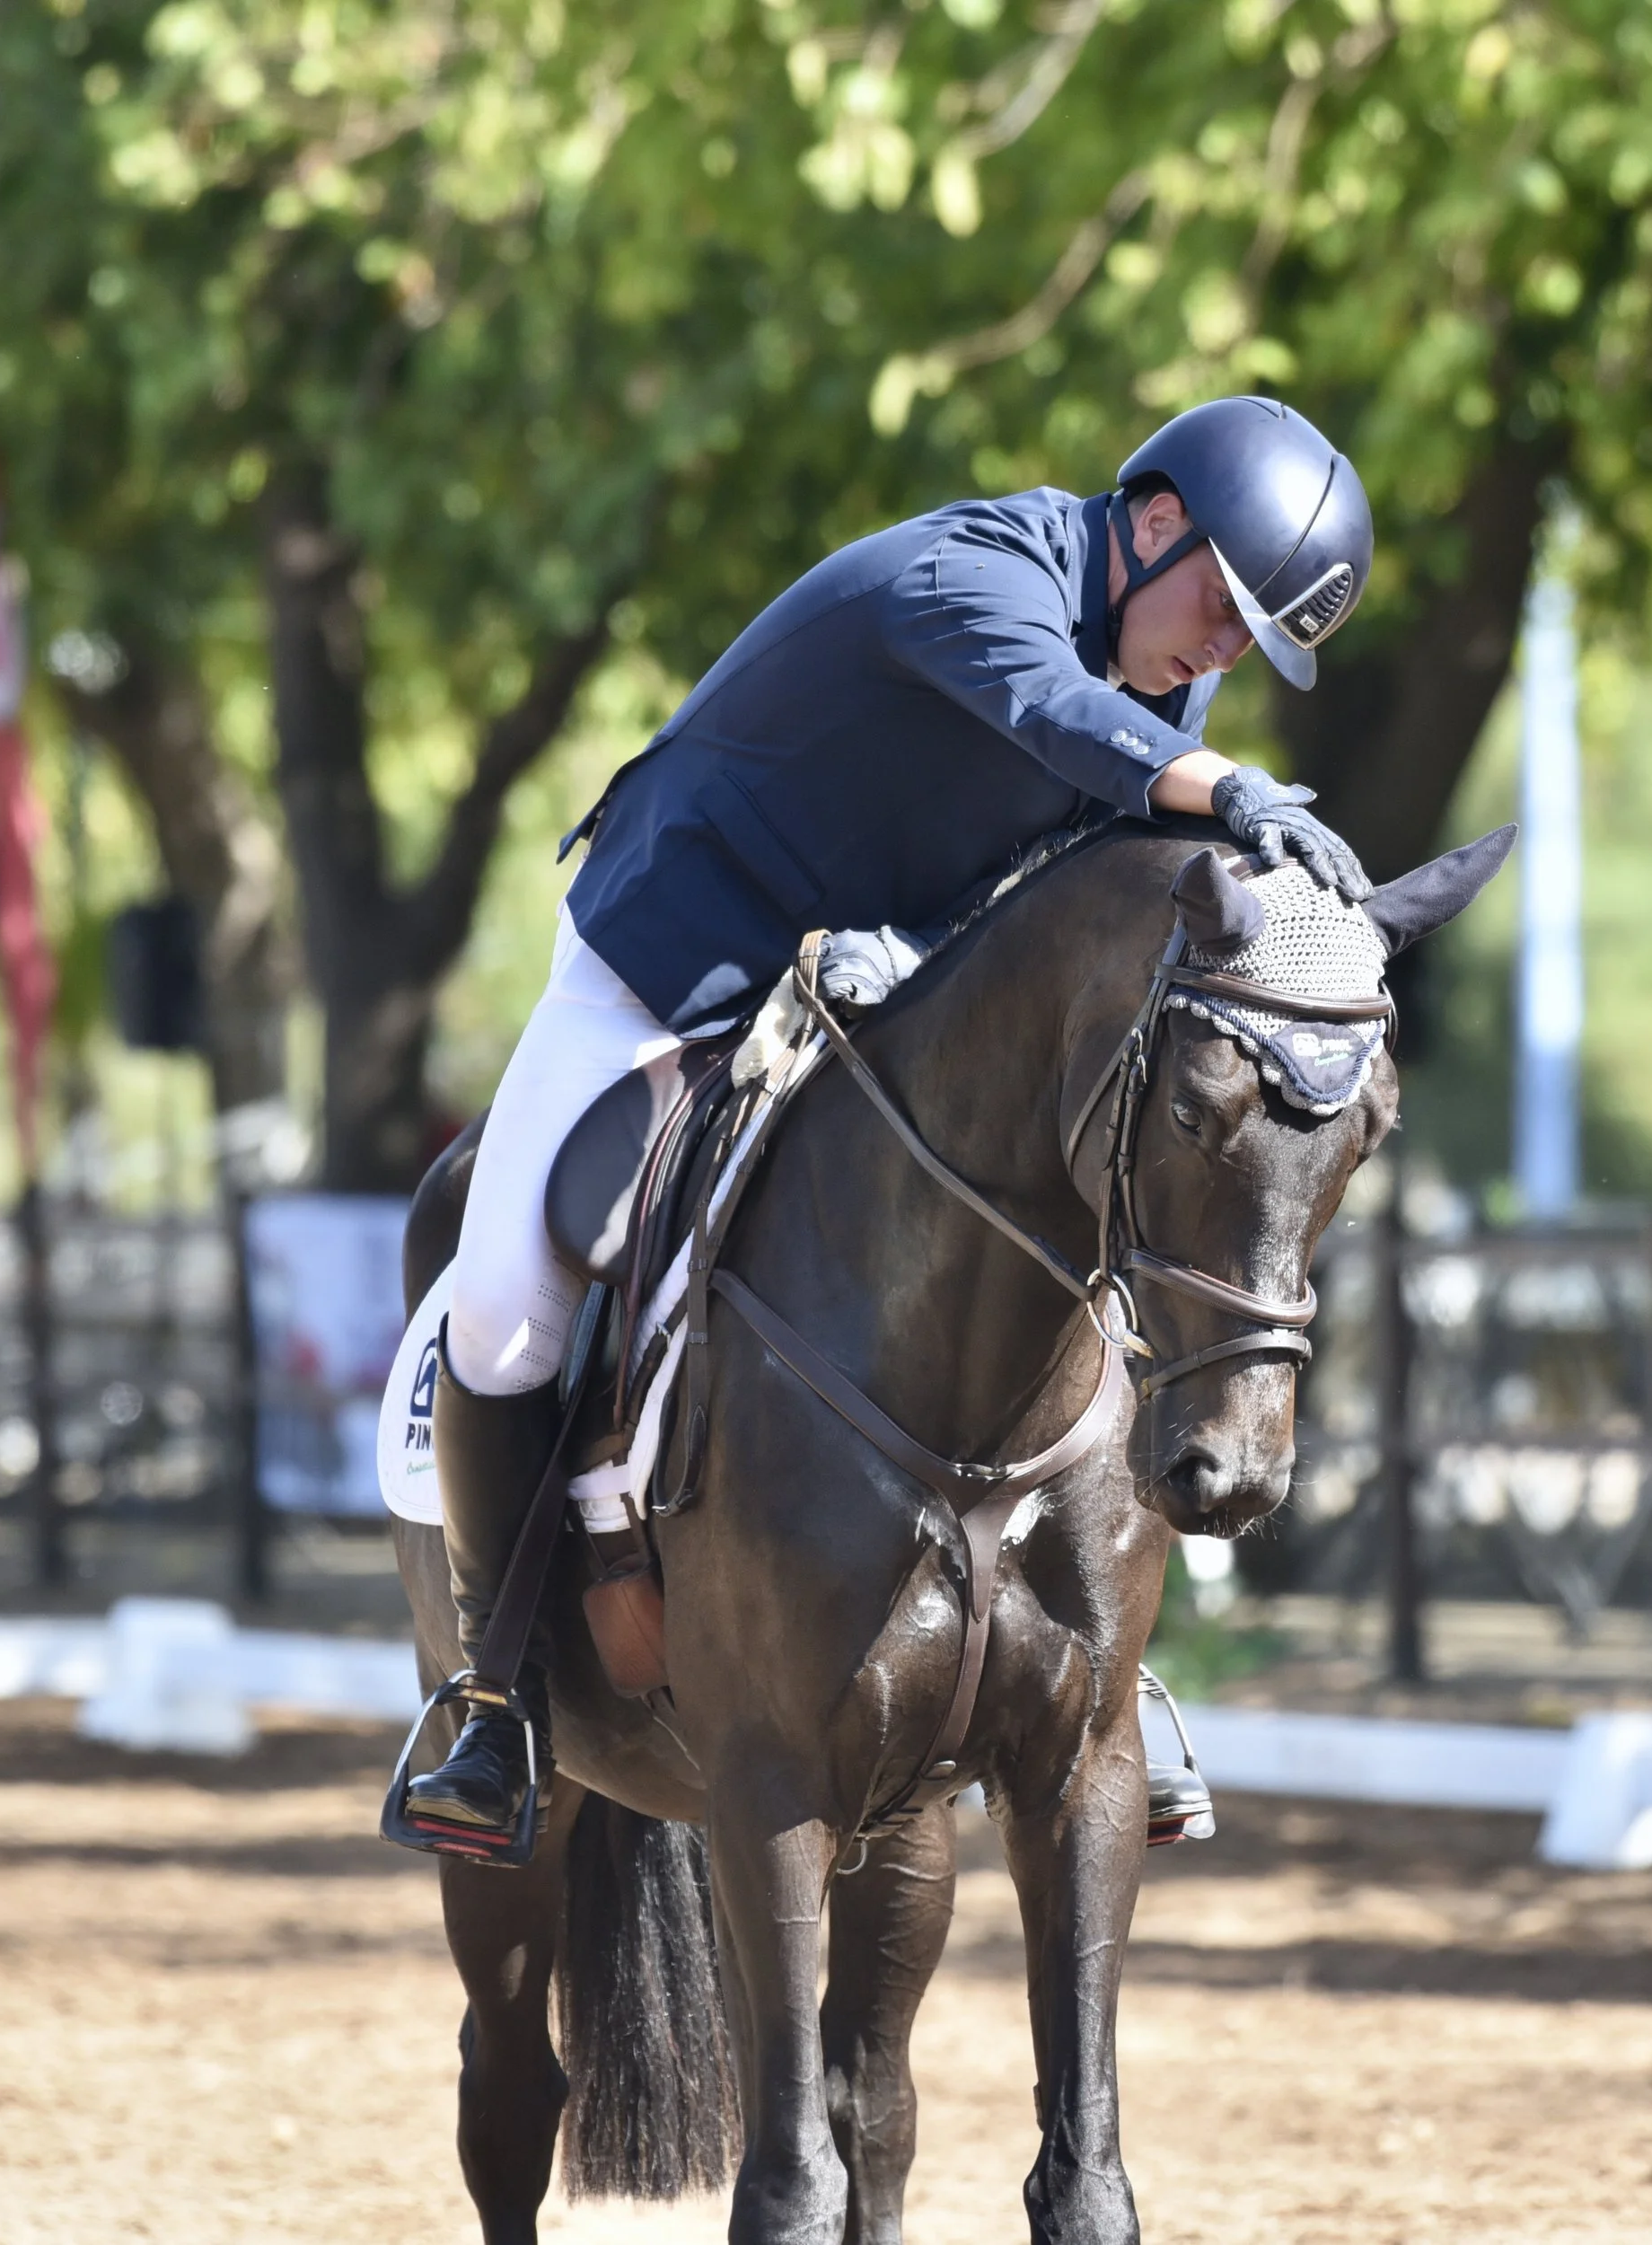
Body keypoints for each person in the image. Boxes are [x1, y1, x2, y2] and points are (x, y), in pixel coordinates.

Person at [403, 394, 1376, 1848]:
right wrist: (1230, 792)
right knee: (501, 1301)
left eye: (1252, 642)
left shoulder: (1169, 680)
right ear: (1156, 521)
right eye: (1225, 611)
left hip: (885, 991)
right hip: (676, 959)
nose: (1223, 655)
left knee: (1078, 1224)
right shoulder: (970, 576)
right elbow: (1054, 720)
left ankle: (1098, 1663)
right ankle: (492, 1699)